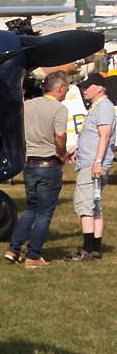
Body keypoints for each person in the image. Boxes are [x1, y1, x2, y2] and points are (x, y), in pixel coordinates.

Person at [6, 71, 70, 268]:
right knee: (44, 213)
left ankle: (14, 249)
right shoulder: (59, 108)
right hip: (48, 164)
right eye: (66, 88)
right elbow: (60, 134)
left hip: (30, 163)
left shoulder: (28, 104)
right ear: (59, 88)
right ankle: (33, 255)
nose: (66, 91)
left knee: (31, 209)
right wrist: (62, 153)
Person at [66, 73, 114, 261]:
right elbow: (94, 134)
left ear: (100, 88)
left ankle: (87, 249)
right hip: (91, 162)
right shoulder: (98, 107)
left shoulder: (103, 107)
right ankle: (94, 249)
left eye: (88, 86)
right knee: (94, 206)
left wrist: (97, 162)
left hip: (93, 165)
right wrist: (76, 148)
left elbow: (105, 136)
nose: (83, 90)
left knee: (85, 205)